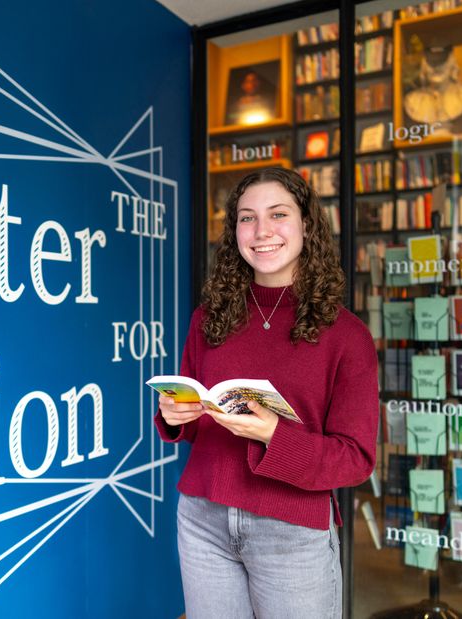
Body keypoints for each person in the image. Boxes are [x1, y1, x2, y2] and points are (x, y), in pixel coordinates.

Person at [156, 167, 378, 619]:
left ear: (307, 225)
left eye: (278, 214)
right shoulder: (209, 317)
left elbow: (356, 459)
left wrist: (276, 434)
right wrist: (176, 415)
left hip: (291, 529)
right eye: (246, 218)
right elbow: (201, 419)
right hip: (204, 519)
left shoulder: (347, 336)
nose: (261, 232)